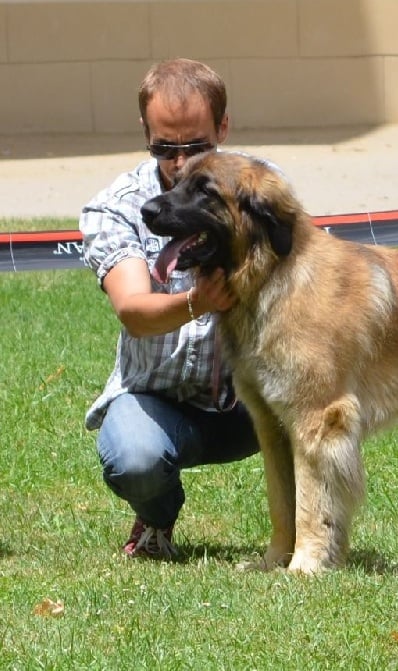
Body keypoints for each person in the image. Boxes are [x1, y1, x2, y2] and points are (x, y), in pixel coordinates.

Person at [80, 59, 261, 559]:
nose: (180, 164)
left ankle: (304, 538)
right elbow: (134, 311)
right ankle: (157, 519)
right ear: (145, 133)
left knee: (316, 414)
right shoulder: (116, 206)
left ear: (223, 128)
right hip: (157, 402)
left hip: (250, 397)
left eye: (197, 147)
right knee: (134, 458)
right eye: (165, 148)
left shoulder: (255, 189)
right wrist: (197, 302)